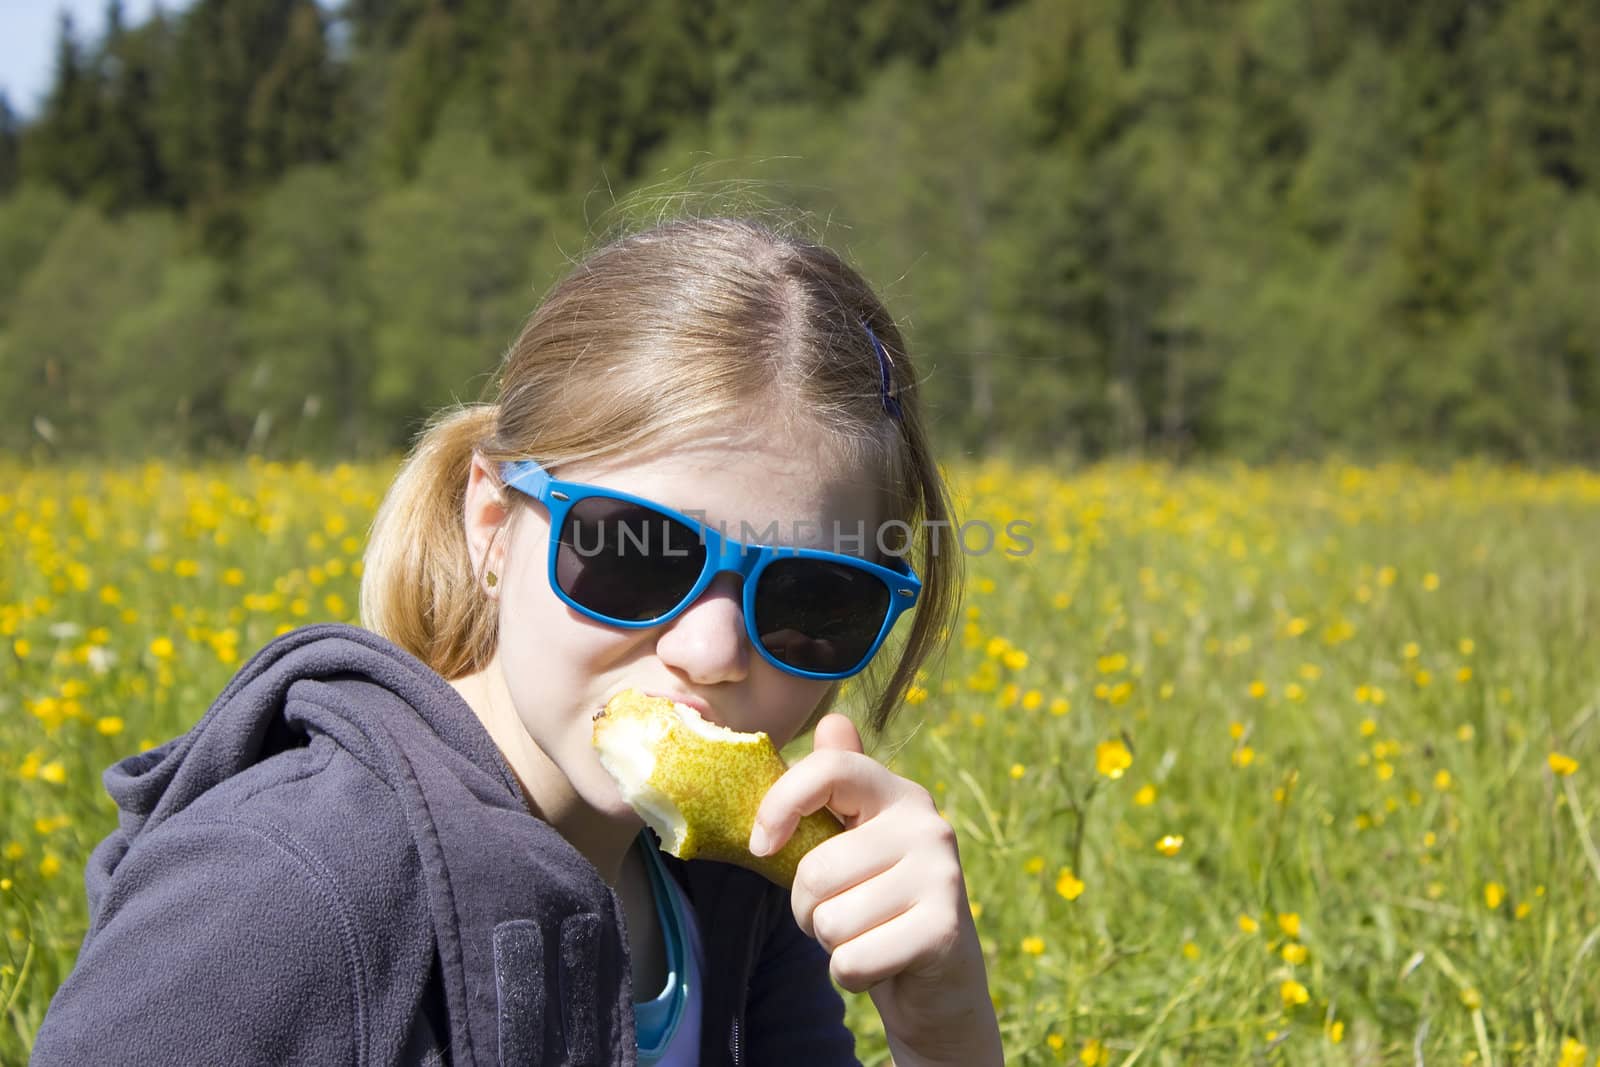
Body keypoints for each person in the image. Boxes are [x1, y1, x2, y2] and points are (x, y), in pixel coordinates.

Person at [31, 217, 1004, 1066]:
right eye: (635, 550)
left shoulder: (736, 891)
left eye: (814, 596)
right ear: (493, 520)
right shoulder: (280, 886)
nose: (711, 650)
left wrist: (942, 1029)